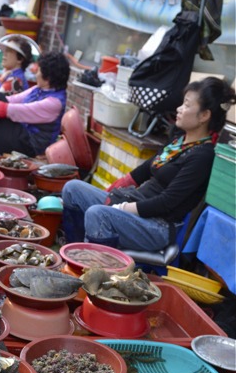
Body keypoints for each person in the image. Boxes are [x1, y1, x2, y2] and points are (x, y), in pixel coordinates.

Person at [62, 77, 236, 251]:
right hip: (135, 203)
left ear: (204, 115)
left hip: (157, 225)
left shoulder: (203, 156)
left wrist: (122, 207)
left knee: (98, 214)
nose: (179, 109)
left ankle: (90, 266)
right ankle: (74, 249)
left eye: (187, 105)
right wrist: (111, 194)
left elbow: (166, 202)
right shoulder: (179, 142)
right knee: (73, 189)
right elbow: (141, 173)